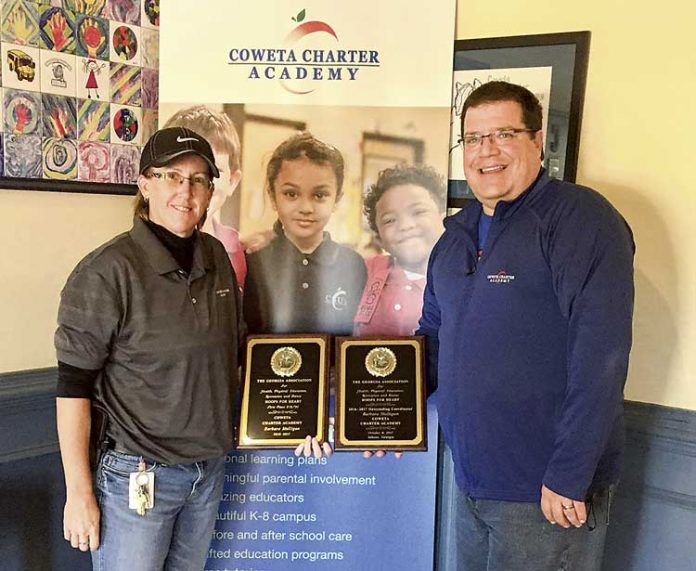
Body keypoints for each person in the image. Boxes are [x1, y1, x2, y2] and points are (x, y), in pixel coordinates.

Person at [417, 81, 634, 570]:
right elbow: (430, 340)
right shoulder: (455, 237)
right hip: (471, 479)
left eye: (504, 134)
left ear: (538, 140)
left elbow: (602, 353)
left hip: (545, 491)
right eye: (473, 139)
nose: (485, 152)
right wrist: (385, 419)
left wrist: (570, 472)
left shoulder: (580, 219)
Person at [55, 127, 245, 570]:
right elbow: (72, 388)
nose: (186, 190)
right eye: (171, 176)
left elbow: (236, 356)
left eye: (199, 179)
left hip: (208, 472)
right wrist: (79, 493)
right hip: (137, 477)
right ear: (144, 184)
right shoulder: (106, 271)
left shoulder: (216, 257)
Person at [243, 132, 367, 336]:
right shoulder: (254, 264)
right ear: (272, 196)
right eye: (291, 194)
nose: (306, 208)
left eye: (319, 195)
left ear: (336, 199)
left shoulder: (353, 265)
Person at [355, 164, 445, 336]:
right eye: (390, 220)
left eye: (418, 212)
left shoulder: (463, 276)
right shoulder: (362, 271)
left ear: (443, 218)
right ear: (379, 239)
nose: (405, 226)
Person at [163, 105, 247, 286]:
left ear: (232, 181)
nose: (197, 184)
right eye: (178, 173)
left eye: (214, 170)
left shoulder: (241, 251)